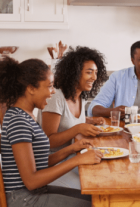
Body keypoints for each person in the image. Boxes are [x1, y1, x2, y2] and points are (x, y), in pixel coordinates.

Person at [0, 57, 102, 207]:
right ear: (31, 88)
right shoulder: (18, 121)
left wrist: (72, 149)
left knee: (96, 198)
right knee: (96, 204)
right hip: (23, 199)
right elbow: (31, 181)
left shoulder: (25, 116)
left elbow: (39, 163)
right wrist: (77, 160)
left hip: (34, 194)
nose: (52, 92)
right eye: (49, 86)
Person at [37, 46, 108, 189]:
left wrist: (88, 121)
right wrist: (79, 128)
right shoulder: (56, 96)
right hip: (51, 164)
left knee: (105, 175)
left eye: (95, 72)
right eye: (89, 72)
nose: (94, 77)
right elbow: (49, 141)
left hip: (70, 156)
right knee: (95, 187)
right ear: (75, 73)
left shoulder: (80, 95)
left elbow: (67, 120)